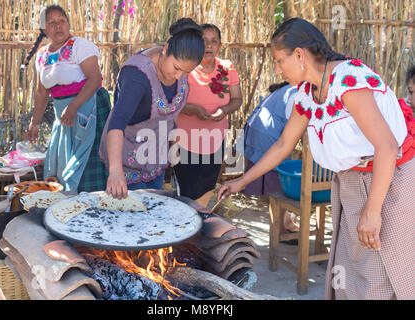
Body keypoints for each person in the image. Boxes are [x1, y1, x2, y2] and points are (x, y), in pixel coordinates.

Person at [218, 18, 414, 300]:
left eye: (278, 61)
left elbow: (386, 147)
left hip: (391, 180)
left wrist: (373, 211)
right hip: (353, 182)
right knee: (352, 271)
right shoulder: (307, 95)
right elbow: (284, 144)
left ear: (299, 55)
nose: (276, 69)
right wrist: (242, 180)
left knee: (386, 268)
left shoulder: (349, 80)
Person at [99, 18, 205, 199]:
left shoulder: (180, 68)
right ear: (165, 50)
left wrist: (173, 146)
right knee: (133, 219)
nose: (179, 76)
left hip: (156, 157)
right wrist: (116, 172)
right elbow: (117, 122)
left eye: (187, 72)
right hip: (126, 160)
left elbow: (173, 113)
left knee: (154, 214)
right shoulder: (137, 76)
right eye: (177, 68)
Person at [25, 5, 111, 192]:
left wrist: (74, 106)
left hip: (89, 111)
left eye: (61, 21)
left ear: (68, 23)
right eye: (52, 23)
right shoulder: (42, 56)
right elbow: (42, 92)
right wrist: (35, 122)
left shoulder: (79, 46)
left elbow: (95, 79)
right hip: (64, 116)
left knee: (88, 168)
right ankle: (66, 212)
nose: (58, 26)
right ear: (44, 29)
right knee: (65, 168)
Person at [173, 24, 242, 207]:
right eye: (204, 41)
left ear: (220, 45)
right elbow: (171, 103)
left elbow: (236, 99)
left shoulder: (227, 68)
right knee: (187, 193)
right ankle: (187, 230)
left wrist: (224, 110)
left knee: (207, 189)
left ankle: (200, 227)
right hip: (185, 141)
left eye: (214, 41)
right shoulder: (186, 68)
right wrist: (193, 109)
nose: (209, 46)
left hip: (214, 140)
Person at [242, 82, 300, 239]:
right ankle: (281, 230)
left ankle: (285, 224)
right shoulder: (298, 92)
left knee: (277, 184)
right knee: (279, 185)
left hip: (256, 130)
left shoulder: (288, 89)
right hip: (267, 135)